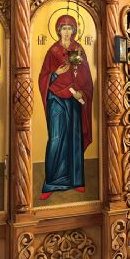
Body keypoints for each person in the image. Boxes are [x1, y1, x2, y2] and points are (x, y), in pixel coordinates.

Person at [39, 15, 94, 198]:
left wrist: (81, 93)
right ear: (58, 30)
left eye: (70, 28)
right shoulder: (52, 51)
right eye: (64, 28)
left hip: (74, 100)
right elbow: (43, 78)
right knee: (56, 138)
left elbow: (86, 78)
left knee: (74, 138)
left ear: (74, 31)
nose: (67, 32)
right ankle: (51, 183)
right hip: (56, 100)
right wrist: (55, 73)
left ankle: (77, 181)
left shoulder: (78, 50)